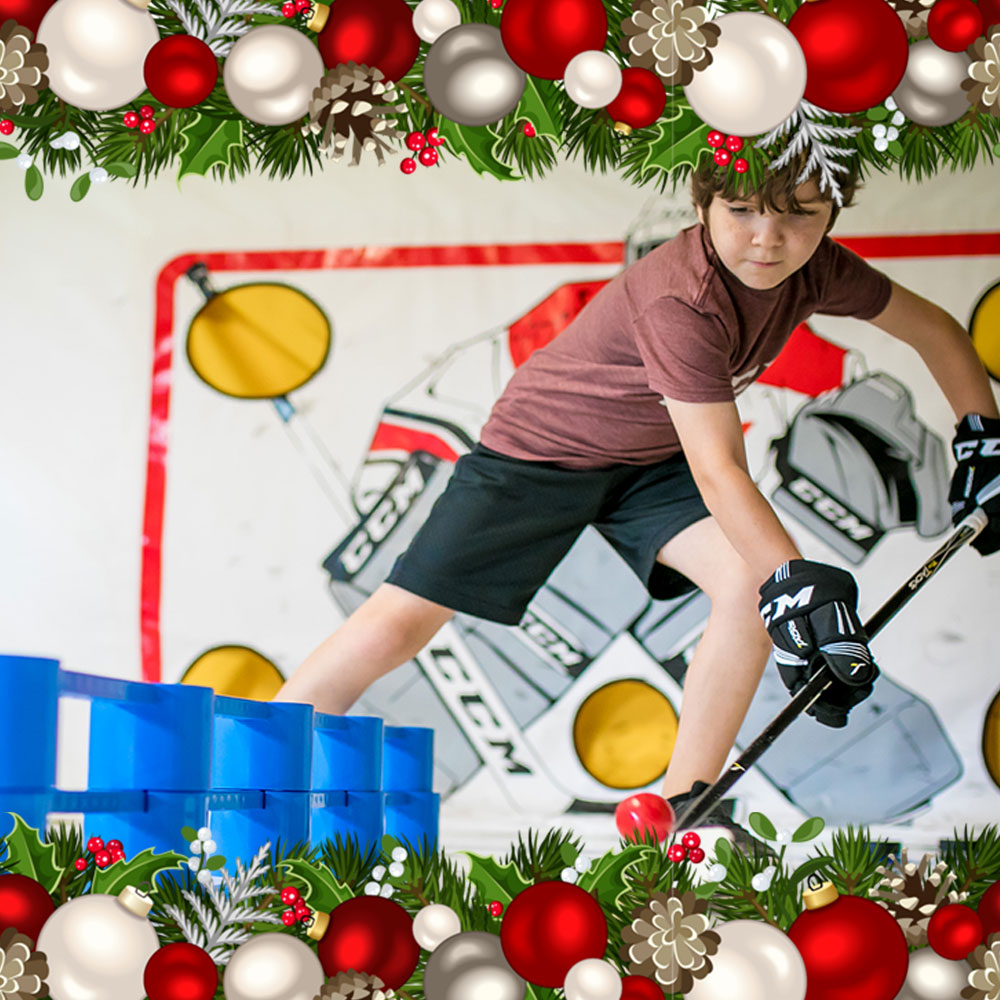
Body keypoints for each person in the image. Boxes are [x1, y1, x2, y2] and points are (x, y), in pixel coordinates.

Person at [275, 152, 1000, 842]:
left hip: (651, 461)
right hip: (540, 455)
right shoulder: (683, 298)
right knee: (400, 621)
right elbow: (720, 470)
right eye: (741, 209)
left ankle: (686, 807)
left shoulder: (815, 274)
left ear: (834, 213)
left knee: (748, 584)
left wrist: (985, 439)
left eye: (800, 214)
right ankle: (263, 768)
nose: (767, 239)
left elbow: (933, 329)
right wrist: (799, 583)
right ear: (700, 201)